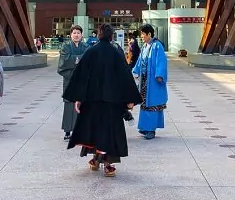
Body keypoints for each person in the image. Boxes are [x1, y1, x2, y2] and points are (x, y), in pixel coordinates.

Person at [65, 23, 141, 178]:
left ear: (98, 35)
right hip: (112, 102)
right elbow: (125, 76)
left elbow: (81, 76)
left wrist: (78, 98)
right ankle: (108, 164)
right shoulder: (116, 52)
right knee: (111, 131)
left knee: (95, 129)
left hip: (92, 101)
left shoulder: (90, 52)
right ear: (111, 36)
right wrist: (130, 99)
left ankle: (96, 159)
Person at [135, 23, 168, 140]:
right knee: (145, 103)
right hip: (145, 80)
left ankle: (151, 129)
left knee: (152, 104)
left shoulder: (157, 46)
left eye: (143, 34)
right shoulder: (145, 46)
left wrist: (159, 74)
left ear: (149, 34)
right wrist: (135, 71)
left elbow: (161, 61)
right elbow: (140, 61)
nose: (142, 36)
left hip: (153, 81)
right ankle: (145, 127)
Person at [57, 25, 90, 141]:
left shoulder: (86, 46)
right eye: (74, 33)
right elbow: (64, 62)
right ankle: (67, 131)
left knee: (83, 105)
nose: (76, 35)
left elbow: (88, 60)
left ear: (82, 35)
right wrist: (79, 59)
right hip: (69, 80)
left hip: (83, 80)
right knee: (69, 105)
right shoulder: (65, 46)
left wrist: (74, 59)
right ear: (70, 35)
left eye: (78, 33)